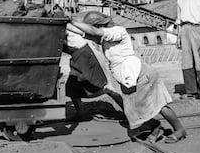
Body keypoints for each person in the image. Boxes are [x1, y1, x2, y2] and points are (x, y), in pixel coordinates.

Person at [71, 11, 186, 143]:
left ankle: (179, 129)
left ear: (98, 25)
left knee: (157, 105)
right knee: (134, 108)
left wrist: (73, 21)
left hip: (140, 73)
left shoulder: (117, 31)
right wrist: (66, 23)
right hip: (129, 75)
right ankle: (155, 127)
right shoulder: (104, 35)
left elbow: (94, 32)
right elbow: (83, 32)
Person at [64, 12, 124, 121]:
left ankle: (128, 113)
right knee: (72, 87)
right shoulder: (60, 27)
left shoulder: (64, 26)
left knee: (105, 87)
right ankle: (80, 113)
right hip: (77, 56)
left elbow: (81, 32)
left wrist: (69, 21)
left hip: (84, 55)